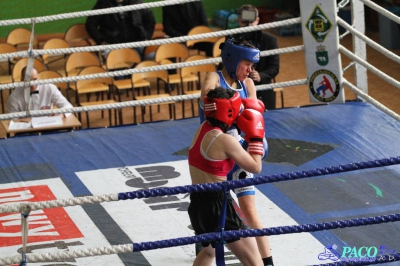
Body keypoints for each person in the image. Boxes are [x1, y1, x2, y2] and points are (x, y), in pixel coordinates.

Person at [199, 38, 274, 266]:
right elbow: (208, 99)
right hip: (213, 153)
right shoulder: (214, 77)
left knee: (249, 210)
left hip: (238, 152)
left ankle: (268, 262)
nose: (251, 70)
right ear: (231, 59)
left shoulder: (248, 84)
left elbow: (253, 121)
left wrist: (254, 136)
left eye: (252, 65)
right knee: (213, 207)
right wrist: (235, 105)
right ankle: (205, 243)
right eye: (247, 64)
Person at [188, 87, 264, 266]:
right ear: (228, 111)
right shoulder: (224, 140)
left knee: (208, 252)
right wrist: (256, 137)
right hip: (218, 204)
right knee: (253, 259)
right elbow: (255, 166)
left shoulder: (202, 129)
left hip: (198, 202)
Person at [235, 4, 280, 110]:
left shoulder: (269, 40)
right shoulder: (231, 38)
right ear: (238, 20)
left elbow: (275, 67)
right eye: (244, 22)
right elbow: (222, 66)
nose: (248, 26)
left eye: (251, 22)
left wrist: (261, 75)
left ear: (258, 20)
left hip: (263, 90)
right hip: (238, 89)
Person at [85, 0, 155, 57]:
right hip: (113, 45)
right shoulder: (103, 3)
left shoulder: (135, 1)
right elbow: (90, 24)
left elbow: (150, 19)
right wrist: (101, 41)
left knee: (153, 57)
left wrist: (146, 37)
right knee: (118, 66)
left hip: (136, 42)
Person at [7, 67, 73, 116]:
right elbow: (13, 120)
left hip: (49, 127)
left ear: (39, 78)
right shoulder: (14, 97)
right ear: (22, 80)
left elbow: (68, 106)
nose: (32, 84)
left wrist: (61, 115)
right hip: (26, 131)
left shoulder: (49, 88)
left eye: (35, 79)